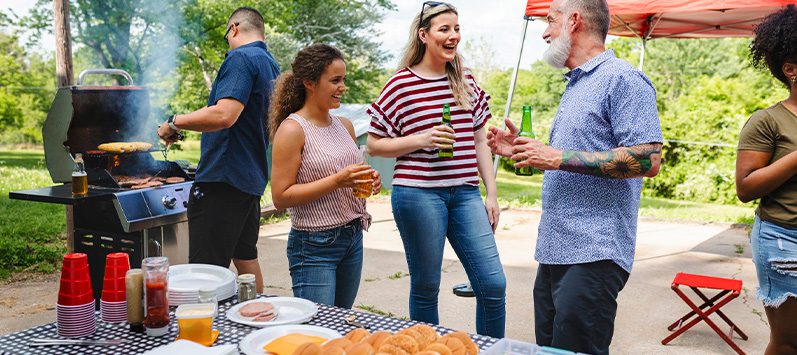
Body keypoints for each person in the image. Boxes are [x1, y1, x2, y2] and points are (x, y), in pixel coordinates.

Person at [487, 0, 662, 353]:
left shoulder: (623, 79)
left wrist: (557, 156)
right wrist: (524, 151)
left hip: (594, 253)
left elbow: (648, 159)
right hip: (554, 250)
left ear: (574, 21)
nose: (544, 32)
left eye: (551, 21)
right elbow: (567, 161)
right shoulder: (578, 84)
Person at [366, 2, 506, 338]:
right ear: (424, 35)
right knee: (427, 284)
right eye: (444, 29)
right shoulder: (401, 84)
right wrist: (421, 138)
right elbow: (374, 144)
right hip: (417, 195)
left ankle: (491, 348)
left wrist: (491, 193)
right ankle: (428, 347)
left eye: (456, 28)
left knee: (492, 283)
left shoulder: (465, 78)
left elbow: (479, 139)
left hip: (465, 193)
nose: (453, 36)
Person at [157, 7, 279, 293]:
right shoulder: (270, 65)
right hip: (249, 179)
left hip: (223, 181)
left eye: (227, 36)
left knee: (205, 271)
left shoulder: (241, 58)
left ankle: (202, 336)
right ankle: (258, 319)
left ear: (234, 29)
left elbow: (224, 115)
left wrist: (175, 122)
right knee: (246, 257)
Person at [269, 44, 381, 309]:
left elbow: (352, 174)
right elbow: (280, 197)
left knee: (339, 324)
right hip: (314, 246)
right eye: (335, 80)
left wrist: (371, 179)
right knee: (317, 332)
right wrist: (337, 181)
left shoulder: (345, 126)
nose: (342, 86)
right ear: (309, 82)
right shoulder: (292, 130)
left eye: (343, 79)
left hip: (352, 237)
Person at [736, 5, 797, 354]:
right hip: (785, 239)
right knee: (790, 341)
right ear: (791, 69)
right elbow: (746, 188)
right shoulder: (767, 121)